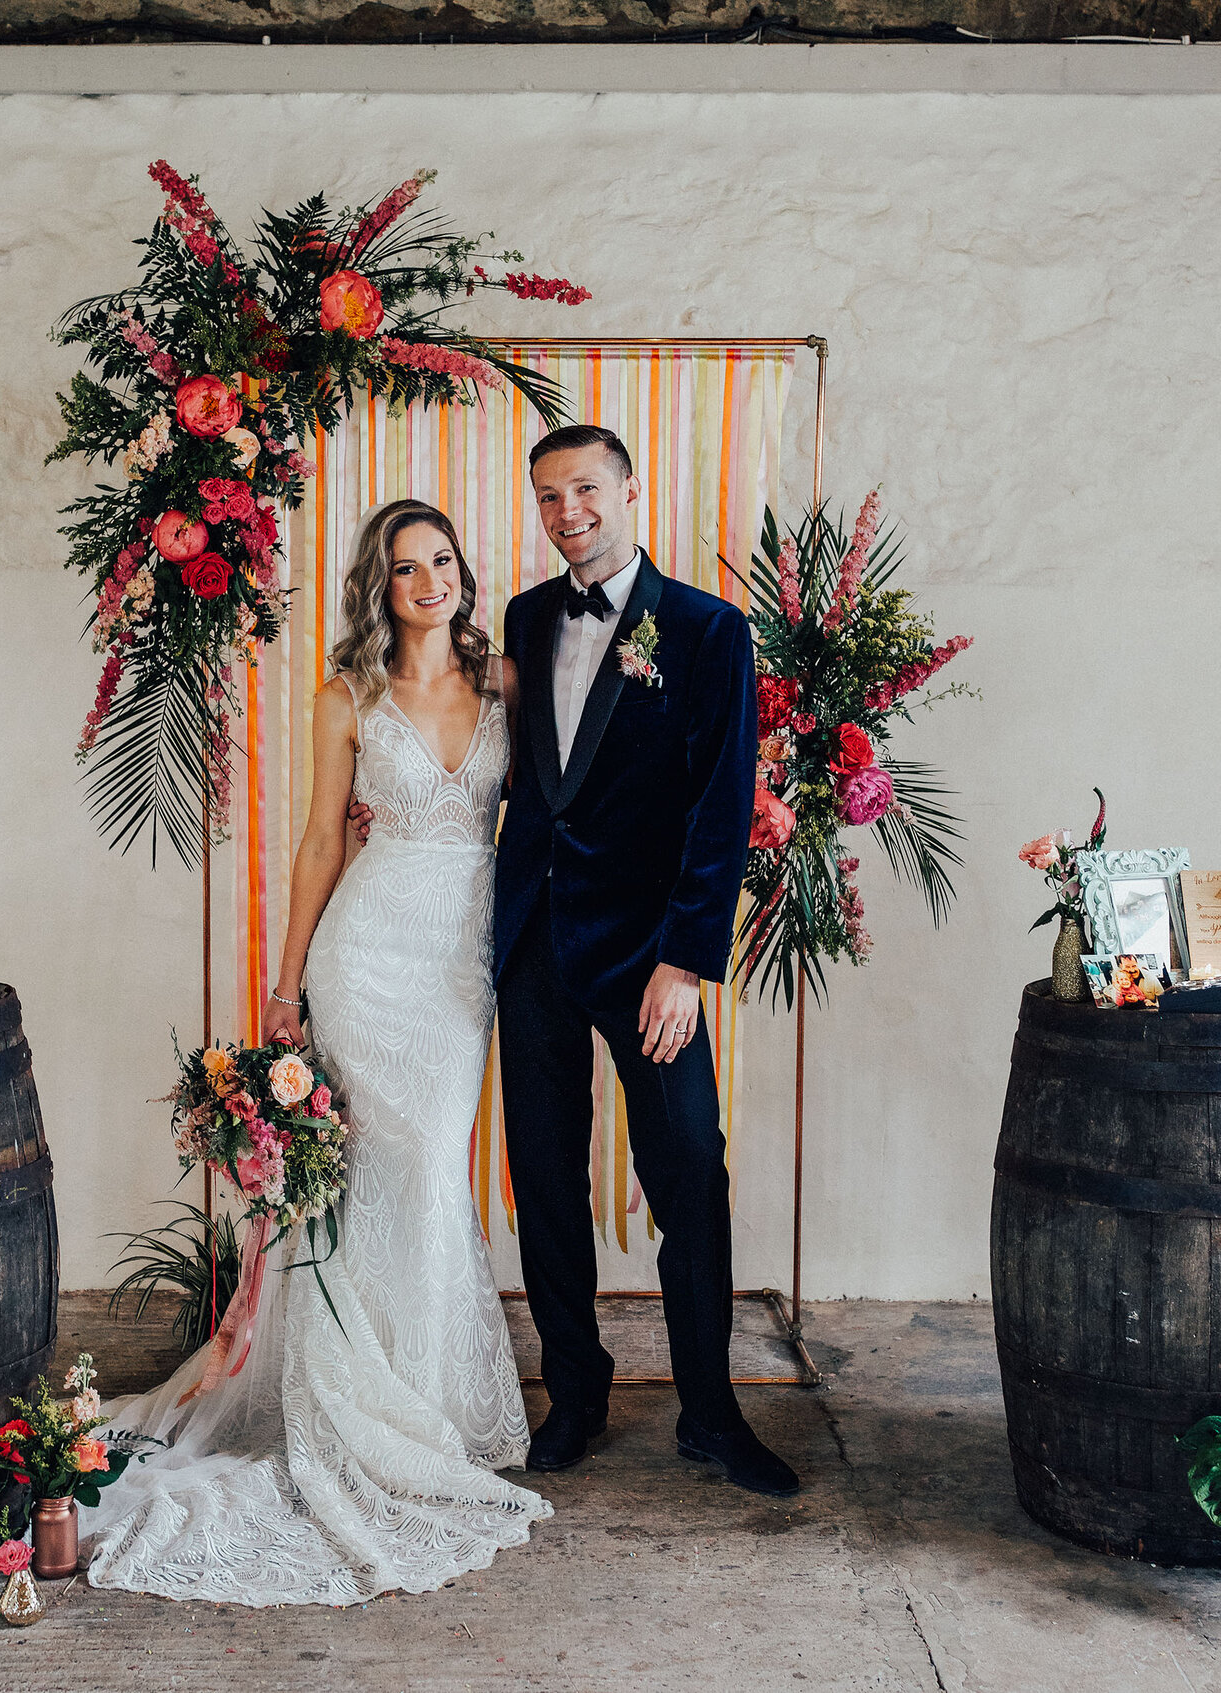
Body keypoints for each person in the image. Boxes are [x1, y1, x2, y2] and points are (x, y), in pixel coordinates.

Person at [82, 498, 549, 1607]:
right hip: (363, 956)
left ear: (462, 575)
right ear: (377, 588)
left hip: (457, 966)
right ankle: (359, 1404)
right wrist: (288, 982)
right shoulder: (346, 696)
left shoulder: (505, 687)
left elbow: (540, 817)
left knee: (431, 1167)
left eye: (441, 560)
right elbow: (318, 838)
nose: (428, 580)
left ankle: (422, 1403)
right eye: (404, 568)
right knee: (362, 1184)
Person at [494, 424, 797, 1498]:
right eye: (546, 495)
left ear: (629, 489)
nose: (566, 510)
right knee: (544, 1175)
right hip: (533, 934)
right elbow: (525, 777)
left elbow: (719, 808)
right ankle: (572, 1393)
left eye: (583, 488)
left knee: (687, 1173)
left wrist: (685, 961)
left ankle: (710, 1414)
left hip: (647, 952)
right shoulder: (526, 618)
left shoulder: (709, 631)